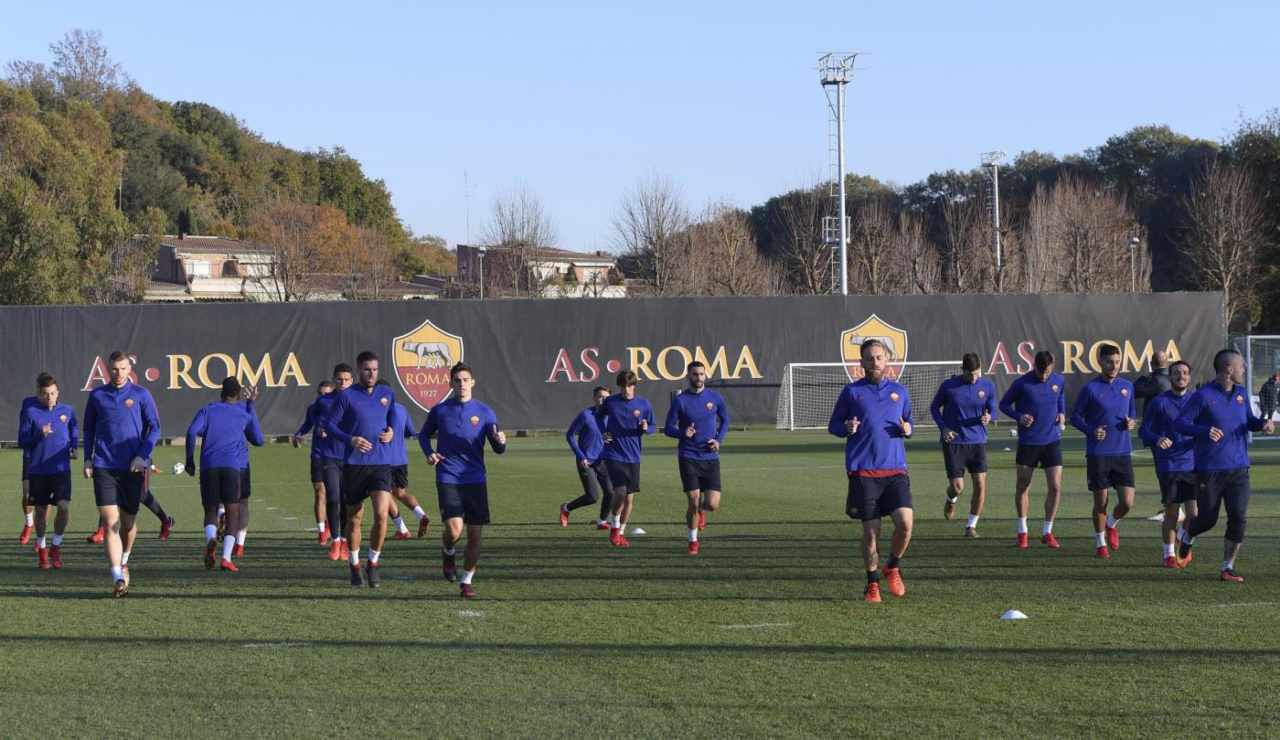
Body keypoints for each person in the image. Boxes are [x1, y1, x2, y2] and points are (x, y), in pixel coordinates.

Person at [1175, 350, 1275, 582]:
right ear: (1228, 369)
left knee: (1238, 517)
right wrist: (1204, 430)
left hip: (1239, 468)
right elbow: (1180, 423)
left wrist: (1262, 425)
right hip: (1209, 470)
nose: (1245, 369)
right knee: (1207, 520)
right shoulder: (1202, 396)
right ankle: (1188, 534)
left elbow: (1248, 421)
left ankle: (1227, 567)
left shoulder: (1240, 393)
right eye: (1242, 366)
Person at [829, 338, 914, 604]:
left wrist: (908, 429)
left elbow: (908, 422)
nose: (875, 362)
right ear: (862, 362)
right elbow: (834, 426)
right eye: (870, 358)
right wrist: (847, 428)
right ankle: (872, 583)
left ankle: (893, 566)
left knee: (906, 524)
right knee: (871, 532)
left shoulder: (900, 392)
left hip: (895, 470)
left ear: (887, 360)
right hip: (864, 472)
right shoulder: (852, 392)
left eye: (879, 357)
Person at [420, 362, 507, 598]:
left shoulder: (486, 412)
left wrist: (501, 441)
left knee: (475, 535)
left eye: (465, 380)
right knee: (455, 529)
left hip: (476, 479)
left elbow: (498, 448)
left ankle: (466, 581)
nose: (461, 384)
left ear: (473, 382)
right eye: (457, 381)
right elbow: (424, 435)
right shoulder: (440, 410)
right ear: (450, 384)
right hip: (448, 475)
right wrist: (429, 452)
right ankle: (448, 550)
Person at [82, 350, 161, 597]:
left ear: (130, 369)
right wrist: (87, 458)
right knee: (110, 523)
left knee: (128, 524)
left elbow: (155, 428)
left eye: (123, 368)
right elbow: (88, 429)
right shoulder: (97, 396)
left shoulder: (141, 395)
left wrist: (143, 455)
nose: (118, 373)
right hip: (104, 465)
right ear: (108, 370)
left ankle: (124, 559)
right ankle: (117, 575)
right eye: (114, 369)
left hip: (132, 468)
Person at [323, 351, 397, 588]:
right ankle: (354, 565)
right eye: (367, 369)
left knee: (382, 515)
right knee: (355, 519)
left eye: (375, 369)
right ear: (358, 371)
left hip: (381, 464)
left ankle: (373, 563)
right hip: (354, 465)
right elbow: (329, 425)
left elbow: (392, 417)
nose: (371, 373)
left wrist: (392, 430)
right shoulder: (346, 396)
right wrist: (351, 439)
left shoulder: (387, 393)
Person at [184, 378, 264, 572]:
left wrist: (189, 460)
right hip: (232, 467)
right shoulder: (243, 411)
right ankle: (226, 558)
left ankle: (211, 540)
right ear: (238, 394)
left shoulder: (208, 410)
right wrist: (251, 406)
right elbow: (259, 440)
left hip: (209, 466)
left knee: (211, 509)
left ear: (221, 393)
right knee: (233, 511)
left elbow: (191, 432)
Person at [1070, 344, 1138, 560]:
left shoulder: (1127, 386)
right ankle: (1100, 543)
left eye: (1117, 362)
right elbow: (1075, 417)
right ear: (1100, 362)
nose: (1114, 366)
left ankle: (1111, 524)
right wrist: (1091, 430)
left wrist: (1131, 423)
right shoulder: (1090, 389)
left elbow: (1132, 415)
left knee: (1127, 502)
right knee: (1101, 502)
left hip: (1122, 453)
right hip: (1098, 453)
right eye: (1110, 362)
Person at [999, 351, 1067, 550]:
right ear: (1034, 366)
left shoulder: (1059, 380)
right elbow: (1004, 404)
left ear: (1052, 365)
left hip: (1052, 440)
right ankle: (1022, 532)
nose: (1044, 376)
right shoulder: (1022, 383)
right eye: (1040, 372)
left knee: (1055, 487)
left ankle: (1047, 531)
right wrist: (1019, 416)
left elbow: (1060, 396)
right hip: (1029, 442)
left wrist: (1061, 413)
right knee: (1023, 486)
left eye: (1047, 372)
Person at [663, 361, 730, 555]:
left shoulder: (715, 398)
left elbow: (725, 420)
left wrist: (719, 440)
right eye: (695, 374)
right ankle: (693, 541)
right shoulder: (680, 400)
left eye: (701, 374)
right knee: (693, 500)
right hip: (688, 455)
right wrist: (683, 433)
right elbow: (668, 428)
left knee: (711, 504)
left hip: (710, 456)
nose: (698, 378)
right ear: (688, 376)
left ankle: (701, 512)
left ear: (705, 375)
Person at [1138, 360, 1198, 568]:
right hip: (1169, 465)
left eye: (1184, 373)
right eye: (1176, 373)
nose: (1180, 376)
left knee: (1195, 514)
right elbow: (1143, 430)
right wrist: (1157, 439)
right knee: (1172, 512)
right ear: (1170, 377)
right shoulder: (1159, 402)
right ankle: (1169, 554)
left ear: (1189, 377)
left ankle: (1183, 538)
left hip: (1193, 464)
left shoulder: (1197, 401)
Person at [929, 353, 996, 538]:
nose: (974, 378)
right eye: (971, 374)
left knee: (980, 485)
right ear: (963, 371)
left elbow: (992, 408)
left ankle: (971, 526)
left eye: (977, 373)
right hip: (954, 441)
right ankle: (951, 499)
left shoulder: (988, 385)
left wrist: (990, 416)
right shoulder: (949, 386)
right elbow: (934, 408)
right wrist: (943, 428)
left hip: (978, 441)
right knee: (958, 487)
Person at [18, 374, 77, 570]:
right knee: (41, 512)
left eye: (52, 393)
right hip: (38, 470)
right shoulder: (30, 410)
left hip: (61, 470)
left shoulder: (67, 411)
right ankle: (42, 550)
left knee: (63, 507)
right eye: (45, 394)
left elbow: (73, 431)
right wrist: (38, 434)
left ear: (57, 392)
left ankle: (56, 547)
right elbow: (22, 441)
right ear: (38, 393)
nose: (49, 397)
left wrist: (74, 447)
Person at [599, 370, 655, 548]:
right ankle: (614, 528)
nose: (626, 390)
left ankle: (620, 532)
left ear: (635, 386)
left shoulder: (644, 404)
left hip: (634, 456)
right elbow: (598, 417)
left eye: (629, 386)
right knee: (620, 492)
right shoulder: (611, 402)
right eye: (623, 386)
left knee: (629, 499)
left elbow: (653, 426)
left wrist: (647, 427)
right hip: (614, 454)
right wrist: (604, 433)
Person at [378, 379, 431, 540]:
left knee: (384, 496)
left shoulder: (377, 410)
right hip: (401, 459)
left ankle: (402, 529)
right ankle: (421, 515)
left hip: (383, 460)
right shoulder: (402, 409)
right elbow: (410, 432)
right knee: (400, 493)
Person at [312, 365, 354, 560]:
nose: (343, 383)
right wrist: (321, 429)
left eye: (346, 379)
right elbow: (317, 421)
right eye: (339, 379)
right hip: (329, 456)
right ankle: (335, 541)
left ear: (352, 380)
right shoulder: (325, 401)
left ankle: (345, 542)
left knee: (346, 502)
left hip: (351, 458)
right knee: (333, 498)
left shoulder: (357, 399)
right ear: (334, 380)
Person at [558, 386, 614, 530]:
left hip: (602, 460)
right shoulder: (585, 415)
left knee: (611, 492)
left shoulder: (612, 416)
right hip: (586, 460)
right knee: (592, 497)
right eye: (600, 396)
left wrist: (608, 440)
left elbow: (608, 435)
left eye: (606, 397)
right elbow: (570, 435)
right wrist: (581, 456)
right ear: (594, 398)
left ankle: (602, 521)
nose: (603, 400)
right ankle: (566, 508)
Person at [293, 380, 336, 544]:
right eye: (320, 394)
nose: (322, 397)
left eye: (326, 394)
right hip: (318, 455)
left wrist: (331, 432)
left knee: (335, 496)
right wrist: (298, 434)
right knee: (320, 491)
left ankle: (334, 528)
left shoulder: (339, 409)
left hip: (336, 456)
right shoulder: (314, 408)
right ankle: (321, 531)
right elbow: (307, 425)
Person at [16, 387, 39, 545]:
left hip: (47, 458)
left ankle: (40, 536)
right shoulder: (28, 404)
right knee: (27, 495)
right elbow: (23, 432)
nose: (47, 395)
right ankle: (29, 524)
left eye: (51, 392)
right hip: (30, 455)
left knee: (43, 499)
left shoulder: (59, 408)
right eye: (43, 391)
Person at [1134, 350, 1173, 415]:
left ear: (1151, 364)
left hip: (1155, 421)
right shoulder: (1173, 378)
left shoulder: (1153, 380)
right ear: (1167, 363)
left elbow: (1134, 391)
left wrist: (1144, 378)